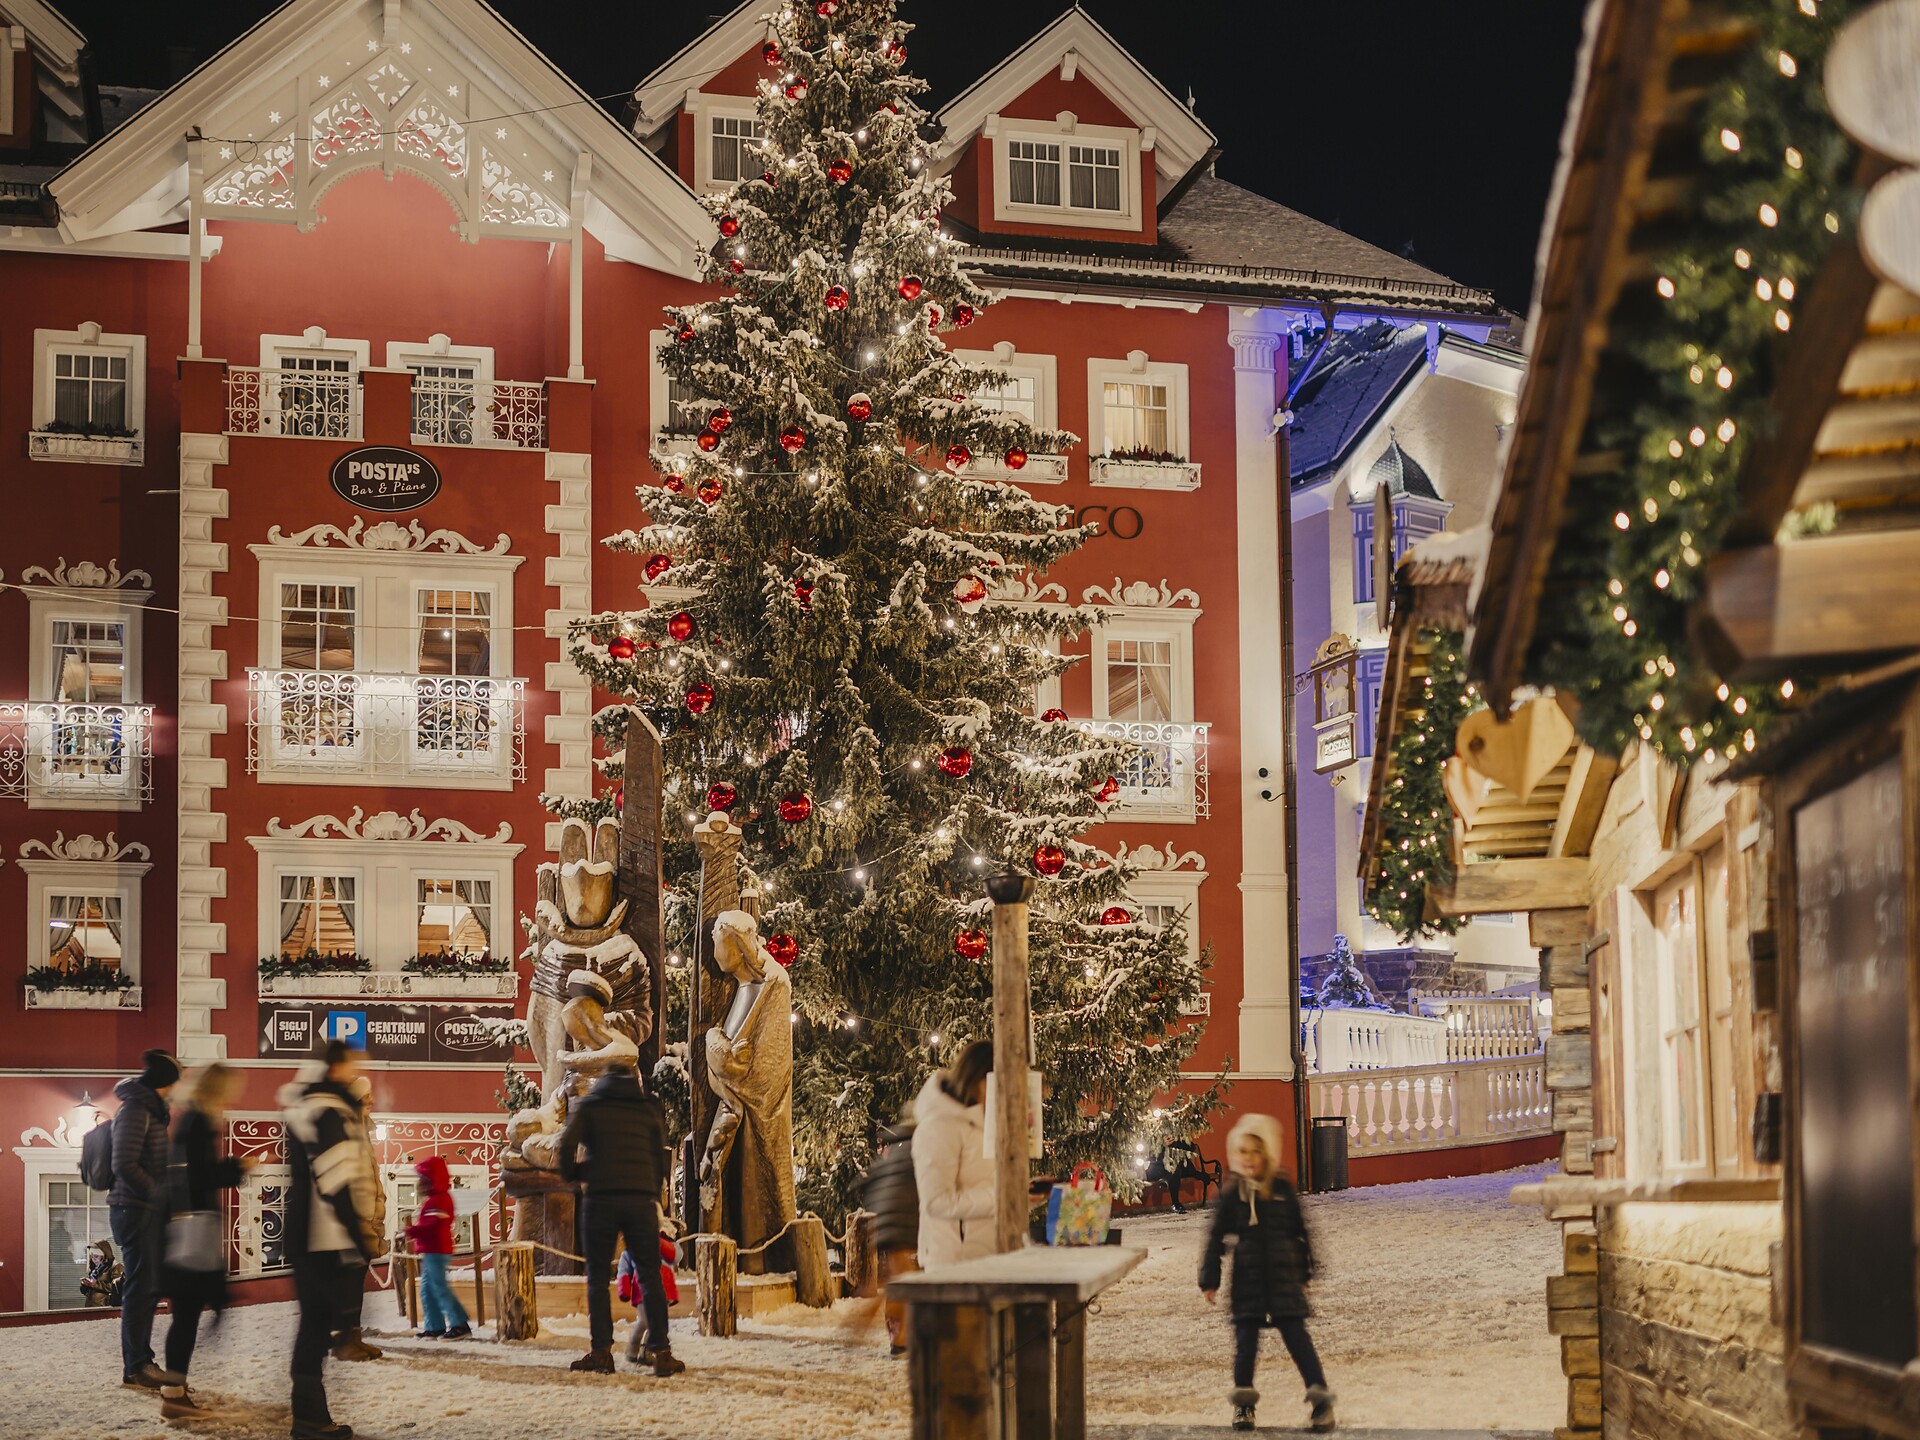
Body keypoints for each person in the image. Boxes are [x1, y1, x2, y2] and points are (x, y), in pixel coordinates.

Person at [1199, 1114, 1335, 1434]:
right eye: (1243, 1151)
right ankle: (1244, 1404)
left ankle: (1321, 1402)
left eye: (1256, 1151)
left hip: (1283, 1278)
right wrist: (1210, 1279)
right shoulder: (1232, 1195)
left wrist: (1307, 1270)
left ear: (1268, 1154)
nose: (1249, 1158)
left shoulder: (1282, 1189)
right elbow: (1215, 1239)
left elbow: (1301, 1231)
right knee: (1246, 1346)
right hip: (1247, 1281)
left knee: (1298, 1341)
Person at [556, 1062, 684, 1377]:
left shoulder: (591, 1105)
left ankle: (601, 1352)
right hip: (640, 1201)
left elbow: (566, 1144)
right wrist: (650, 1188)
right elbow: (659, 1154)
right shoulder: (647, 1107)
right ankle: (661, 1352)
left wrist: (575, 1174)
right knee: (650, 1275)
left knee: (598, 1279)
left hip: (600, 1199)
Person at [282, 1041, 381, 1440]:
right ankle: (309, 1419)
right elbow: (336, 1182)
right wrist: (358, 1237)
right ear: (336, 1067)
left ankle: (309, 1415)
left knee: (314, 1327)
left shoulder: (307, 1106)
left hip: (308, 1233)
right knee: (315, 1329)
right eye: (350, 1065)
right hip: (322, 1235)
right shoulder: (328, 1111)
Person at [158, 1062, 256, 1419]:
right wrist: (237, 1167)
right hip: (194, 1225)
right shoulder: (198, 1120)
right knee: (187, 1313)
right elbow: (200, 1175)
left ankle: (174, 1389)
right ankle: (173, 1395)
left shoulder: (191, 1118)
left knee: (186, 1312)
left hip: (187, 1224)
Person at [110, 1048, 181, 1391]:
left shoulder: (150, 1110)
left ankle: (141, 1361)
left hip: (143, 1208)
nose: (176, 1089)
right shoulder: (136, 1110)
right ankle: (136, 1367)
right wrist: (158, 1192)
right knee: (140, 1290)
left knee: (148, 1288)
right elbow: (124, 1163)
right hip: (134, 1208)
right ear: (163, 1082)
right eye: (174, 1082)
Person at [911, 1039, 995, 1270]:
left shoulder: (983, 1124)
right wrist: (999, 1198)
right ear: (978, 1079)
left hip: (988, 1258)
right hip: (952, 1264)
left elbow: (982, 1185)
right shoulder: (939, 1126)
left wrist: (1023, 1194)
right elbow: (937, 1202)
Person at [330, 1077, 384, 1364]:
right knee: (347, 1284)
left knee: (355, 1283)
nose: (371, 1101)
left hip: (365, 1221)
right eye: (366, 1096)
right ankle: (343, 1342)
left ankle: (353, 1337)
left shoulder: (362, 1130)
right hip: (354, 1221)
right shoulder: (347, 1131)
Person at [862, 1115, 919, 1356]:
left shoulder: (898, 1151)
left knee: (898, 1281)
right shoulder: (917, 1151)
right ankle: (899, 1338)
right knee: (904, 1281)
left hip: (889, 1225)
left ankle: (898, 1335)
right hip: (901, 1226)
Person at [405, 1156, 471, 1339]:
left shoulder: (439, 1200)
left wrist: (412, 1231)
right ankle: (435, 1326)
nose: (419, 1183)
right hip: (432, 1250)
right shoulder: (436, 1199)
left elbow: (433, 1225)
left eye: (422, 1178)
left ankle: (460, 1324)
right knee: (428, 1290)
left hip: (437, 1250)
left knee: (439, 1288)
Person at [617, 1229, 680, 1363]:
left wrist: (660, 1243)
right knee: (644, 1321)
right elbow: (624, 1269)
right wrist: (624, 1288)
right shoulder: (632, 1248)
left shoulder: (665, 1242)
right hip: (642, 1287)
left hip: (664, 1287)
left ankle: (648, 1351)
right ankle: (632, 1347)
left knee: (657, 1323)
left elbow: (676, 1256)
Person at [1146, 1136, 1211, 1213]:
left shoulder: (1178, 1136)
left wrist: (1177, 1142)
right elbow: (1150, 1155)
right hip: (1159, 1169)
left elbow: (1192, 1148)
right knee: (1174, 1170)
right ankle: (1176, 1203)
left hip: (1180, 1169)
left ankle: (1175, 1202)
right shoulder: (1154, 1137)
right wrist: (1162, 1144)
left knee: (1176, 1167)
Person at [81, 1240, 122, 1307]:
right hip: (91, 1305)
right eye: (91, 1256)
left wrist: (96, 1284)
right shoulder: (95, 1267)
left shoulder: (115, 1266)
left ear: (104, 1256)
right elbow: (86, 1292)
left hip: (105, 1306)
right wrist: (85, 1285)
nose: (93, 1259)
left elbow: (117, 1288)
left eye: (96, 1256)